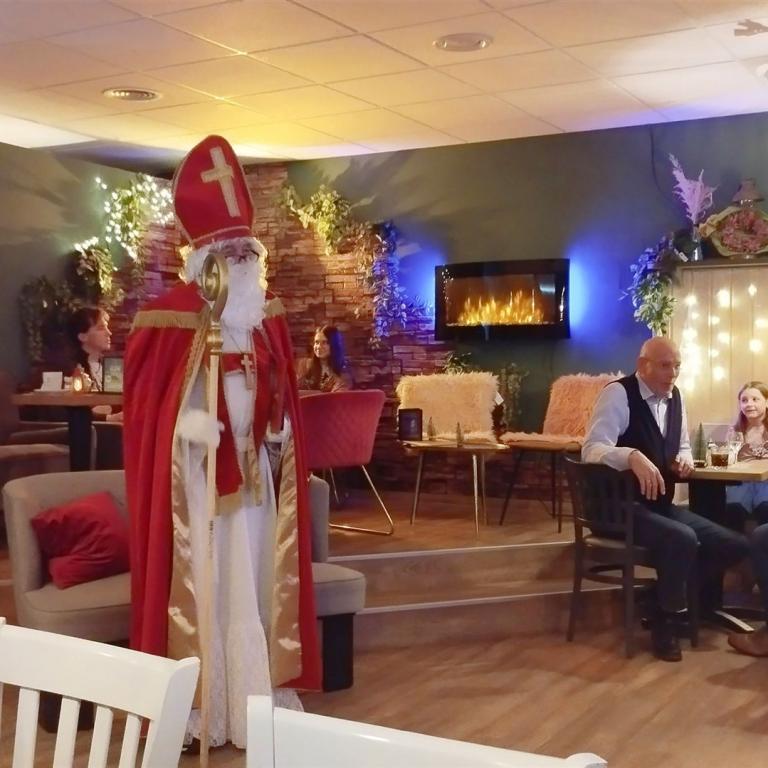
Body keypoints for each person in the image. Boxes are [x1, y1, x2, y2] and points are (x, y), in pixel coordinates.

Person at [123, 135, 320, 749]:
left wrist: (279, 430)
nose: (240, 260)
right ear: (205, 257)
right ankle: (198, 710)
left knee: (256, 583)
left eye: (246, 250)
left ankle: (256, 701)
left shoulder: (265, 316)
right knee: (207, 589)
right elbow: (147, 414)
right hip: (197, 486)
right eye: (228, 251)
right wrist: (188, 431)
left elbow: (280, 391)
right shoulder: (167, 318)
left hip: (256, 479)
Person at [582, 336, 749, 662]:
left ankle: (660, 601)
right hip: (616, 508)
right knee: (681, 538)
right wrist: (631, 455)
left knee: (733, 544)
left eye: (677, 366)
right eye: (664, 365)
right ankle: (667, 622)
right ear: (642, 365)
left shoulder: (676, 398)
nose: (672, 373)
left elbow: (682, 444)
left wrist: (683, 458)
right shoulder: (618, 394)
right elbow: (591, 449)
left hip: (657, 504)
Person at [725, 381, 768, 524]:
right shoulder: (735, 431)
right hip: (742, 482)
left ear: (767, 402)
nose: (749, 404)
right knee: (734, 508)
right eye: (744, 400)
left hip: (766, 482)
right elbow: (729, 459)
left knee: (765, 507)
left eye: (755, 399)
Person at [297, 325, 353, 392]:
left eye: (324, 342)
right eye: (316, 342)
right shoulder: (305, 365)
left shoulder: (343, 373)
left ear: (334, 345)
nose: (319, 347)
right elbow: (293, 389)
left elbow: (336, 396)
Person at [66, 306, 111, 390]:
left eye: (107, 327)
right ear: (83, 336)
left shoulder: (111, 368)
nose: (109, 333)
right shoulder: (71, 369)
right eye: (101, 328)